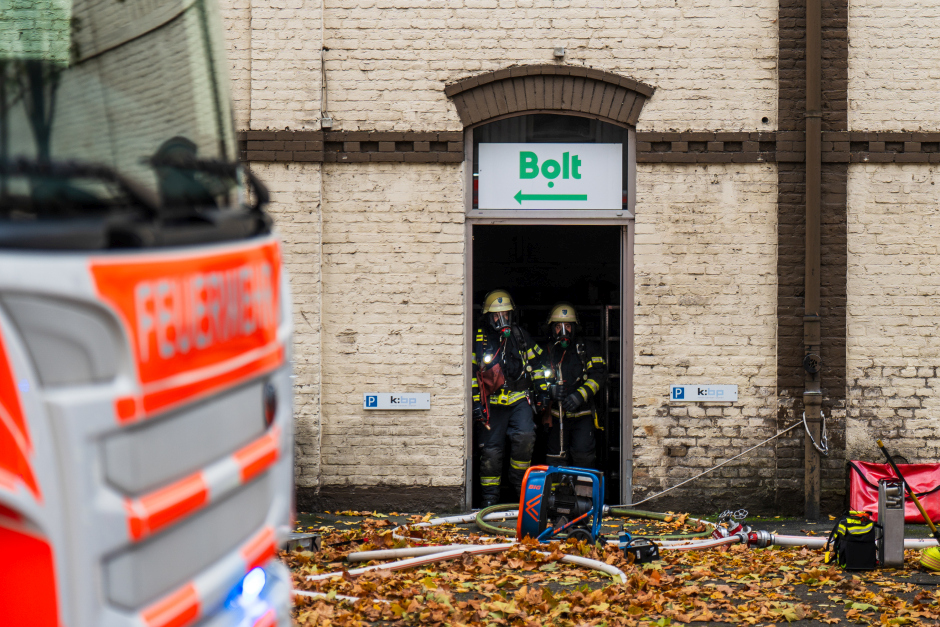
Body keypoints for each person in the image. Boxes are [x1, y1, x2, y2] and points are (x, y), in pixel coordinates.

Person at [472, 289, 548, 508]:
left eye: (506, 313)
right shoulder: (479, 339)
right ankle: (489, 500)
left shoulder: (520, 336)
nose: (502, 319)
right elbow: (470, 373)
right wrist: (476, 402)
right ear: (488, 316)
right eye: (497, 315)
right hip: (492, 404)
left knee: (525, 438)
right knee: (491, 452)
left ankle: (520, 491)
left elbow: (538, 364)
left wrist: (542, 390)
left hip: (518, 400)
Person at [541, 302, 608, 468]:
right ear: (551, 328)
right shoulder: (547, 352)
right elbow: (537, 378)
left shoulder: (587, 350)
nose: (563, 331)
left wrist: (580, 395)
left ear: (575, 327)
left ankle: (582, 494)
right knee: (555, 458)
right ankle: (556, 493)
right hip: (556, 417)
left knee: (583, 458)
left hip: (582, 416)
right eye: (558, 326)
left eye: (567, 326)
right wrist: (550, 391)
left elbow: (599, 375)